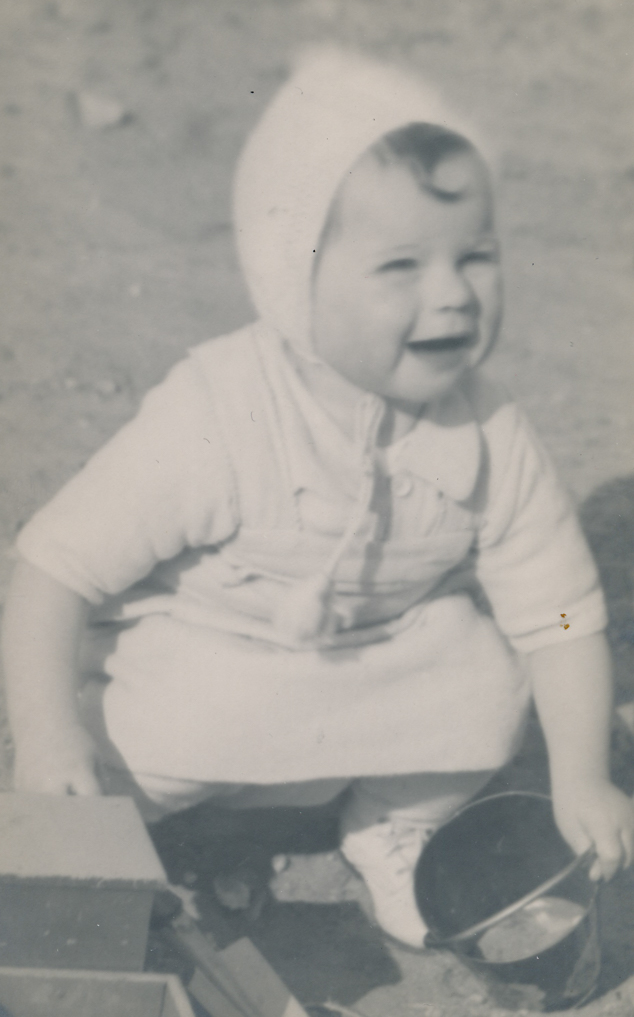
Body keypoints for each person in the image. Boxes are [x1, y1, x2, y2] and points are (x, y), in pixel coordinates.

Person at [3, 48, 633, 950]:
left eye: (476, 256)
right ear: (292, 275)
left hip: (377, 664)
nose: (453, 295)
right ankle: (114, 829)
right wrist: (45, 732)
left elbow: (561, 617)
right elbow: (54, 568)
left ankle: (395, 823)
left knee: (487, 685)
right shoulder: (220, 412)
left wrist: (579, 773)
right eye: (402, 266)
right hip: (214, 665)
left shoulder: (491, 433)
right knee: (145, 734)